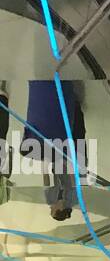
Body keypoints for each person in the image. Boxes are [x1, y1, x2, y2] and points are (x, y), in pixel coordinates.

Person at [21, 79, 87, 221]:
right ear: (60, 209)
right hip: (70, 158)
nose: (51, 207)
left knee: (73, 134)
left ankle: (72, 106)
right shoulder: (70, 198)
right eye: (53, 210)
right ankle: (73, 106)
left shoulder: (54, 198)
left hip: (61, 159)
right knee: (76, 134)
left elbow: (46, 179)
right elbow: (73, 178)